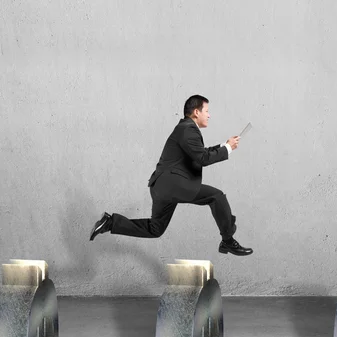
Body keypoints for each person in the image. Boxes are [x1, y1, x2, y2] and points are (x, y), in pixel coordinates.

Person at [89, 94, 253, 256]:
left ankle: (110, 223)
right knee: (217, 197)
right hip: (173, 185)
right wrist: (228, 149)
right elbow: (203, 158)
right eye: (207, 111)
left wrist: (225, 145)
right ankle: (228, 240)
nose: (209, 115)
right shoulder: (188, 129)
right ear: (196, 112)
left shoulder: (184, 129)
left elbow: (199, 153)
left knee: (155, 229)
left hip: (162, 187)